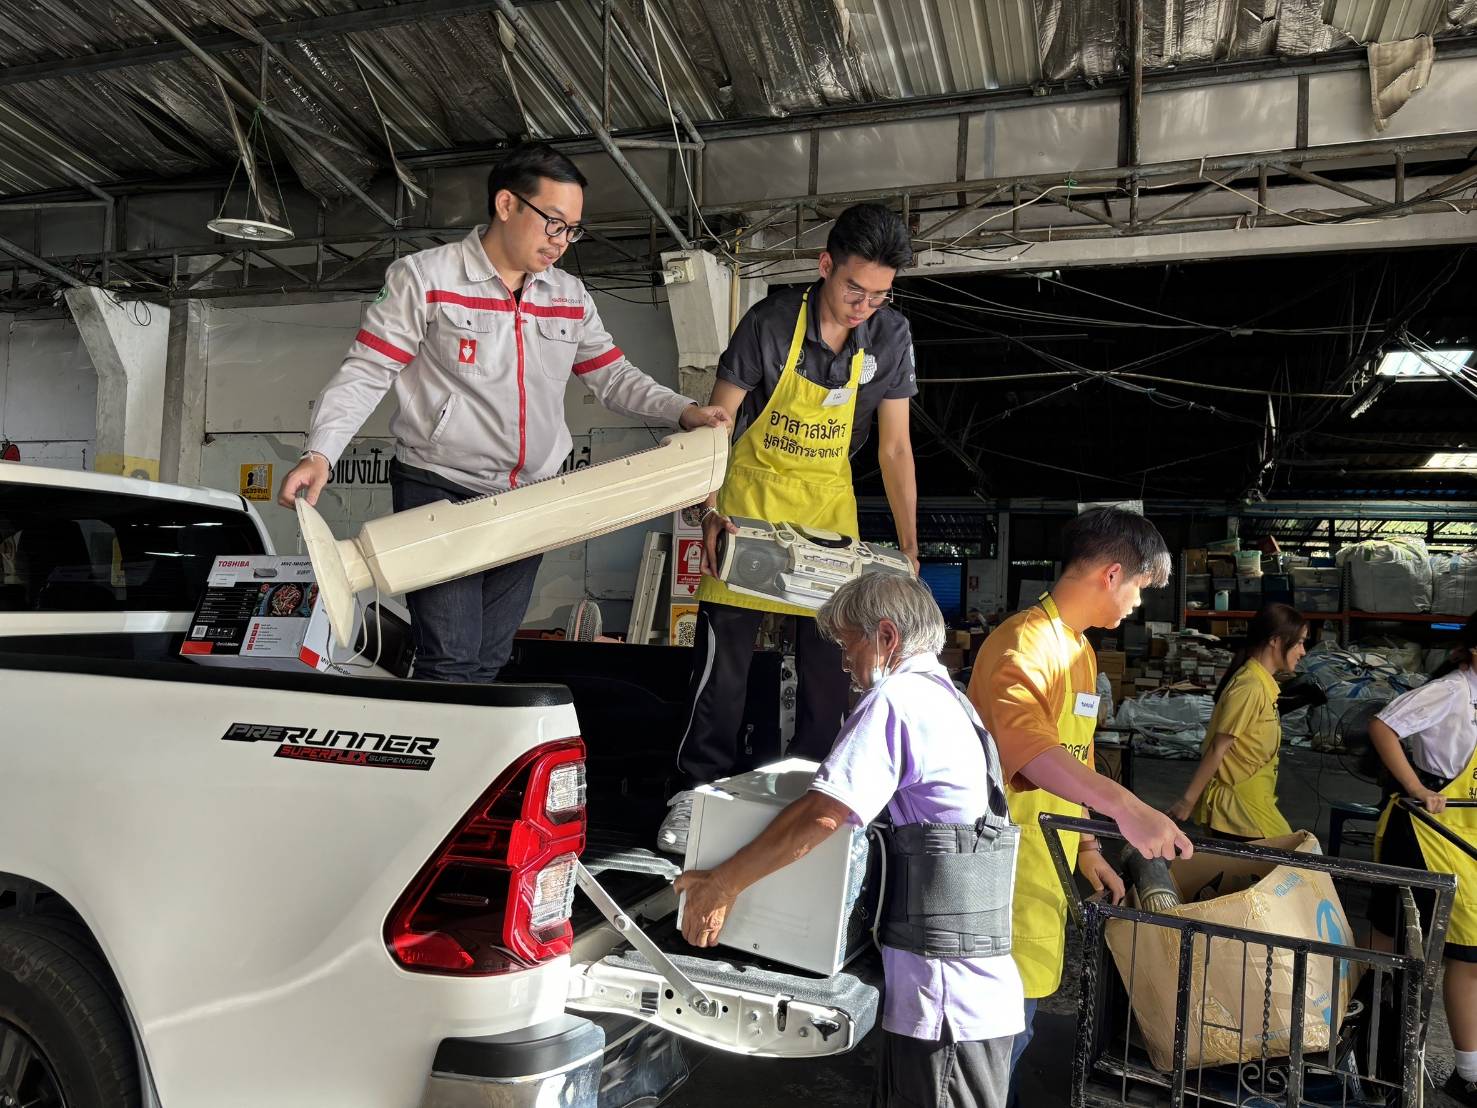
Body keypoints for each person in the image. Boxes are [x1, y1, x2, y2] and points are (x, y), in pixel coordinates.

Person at [275, 142, 728, 682]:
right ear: (507, 204)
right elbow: (368, 371)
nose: (561, 242)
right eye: (553, 223)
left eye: (572, 230)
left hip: (528, 499)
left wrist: (684, 411)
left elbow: (612, 376)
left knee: (490, 658)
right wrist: (320, 453)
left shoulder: (569, 296)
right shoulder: (426, 278)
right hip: (440, 486)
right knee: (450, 658)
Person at [675, 574, 1023, 1108]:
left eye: (847, 644)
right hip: (960, 993)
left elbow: (823, 813)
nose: (843, 663)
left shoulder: (897, 699)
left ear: (886, 636)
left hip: (947, 1004)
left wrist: (722, 884)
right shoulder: (950, 700)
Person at [663, 202, 919, 848]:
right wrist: (708, 510)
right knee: (722, 671)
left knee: (833, 672)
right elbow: (718, 425)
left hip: (827, 508)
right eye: (854, 289)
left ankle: (812, 803)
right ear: (825, 265)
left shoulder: (889, 337)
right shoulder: (771, 323)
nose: (864, 307)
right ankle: (693, 796)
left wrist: (909, 547)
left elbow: (894, 448)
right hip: (747, 504)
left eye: (879, 296)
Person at [965, 507, 1192, 1083]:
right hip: (1001, 871)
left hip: (1047, 862)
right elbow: (1029, 749)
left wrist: (1089, 845)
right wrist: (1128, 809)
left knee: (1016, 1031)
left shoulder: (1080, 652)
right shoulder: (1023, 645)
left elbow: (1078, 753)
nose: (1137, 604)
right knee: (992, 1042)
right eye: (1139, 588)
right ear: (1112, 575)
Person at [1365, 611, 1477, 1106]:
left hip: (1465, 837)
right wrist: (1415, 787)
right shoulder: (1451, 691)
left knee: (1469, 954)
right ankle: (1362, 1038)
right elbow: (1383, 725)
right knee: (1392, 947)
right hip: (1422, 832)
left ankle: (1468, 1072)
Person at [1166, 603, 1308, 838]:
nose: (1303, 651)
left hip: (1252, 806)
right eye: (1299, 642)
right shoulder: (1250, 687)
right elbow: (1217, 748)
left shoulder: (1263, 685)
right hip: (1239, 812)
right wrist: (1187, 801)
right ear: (1275, 640)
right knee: (1297, 858)